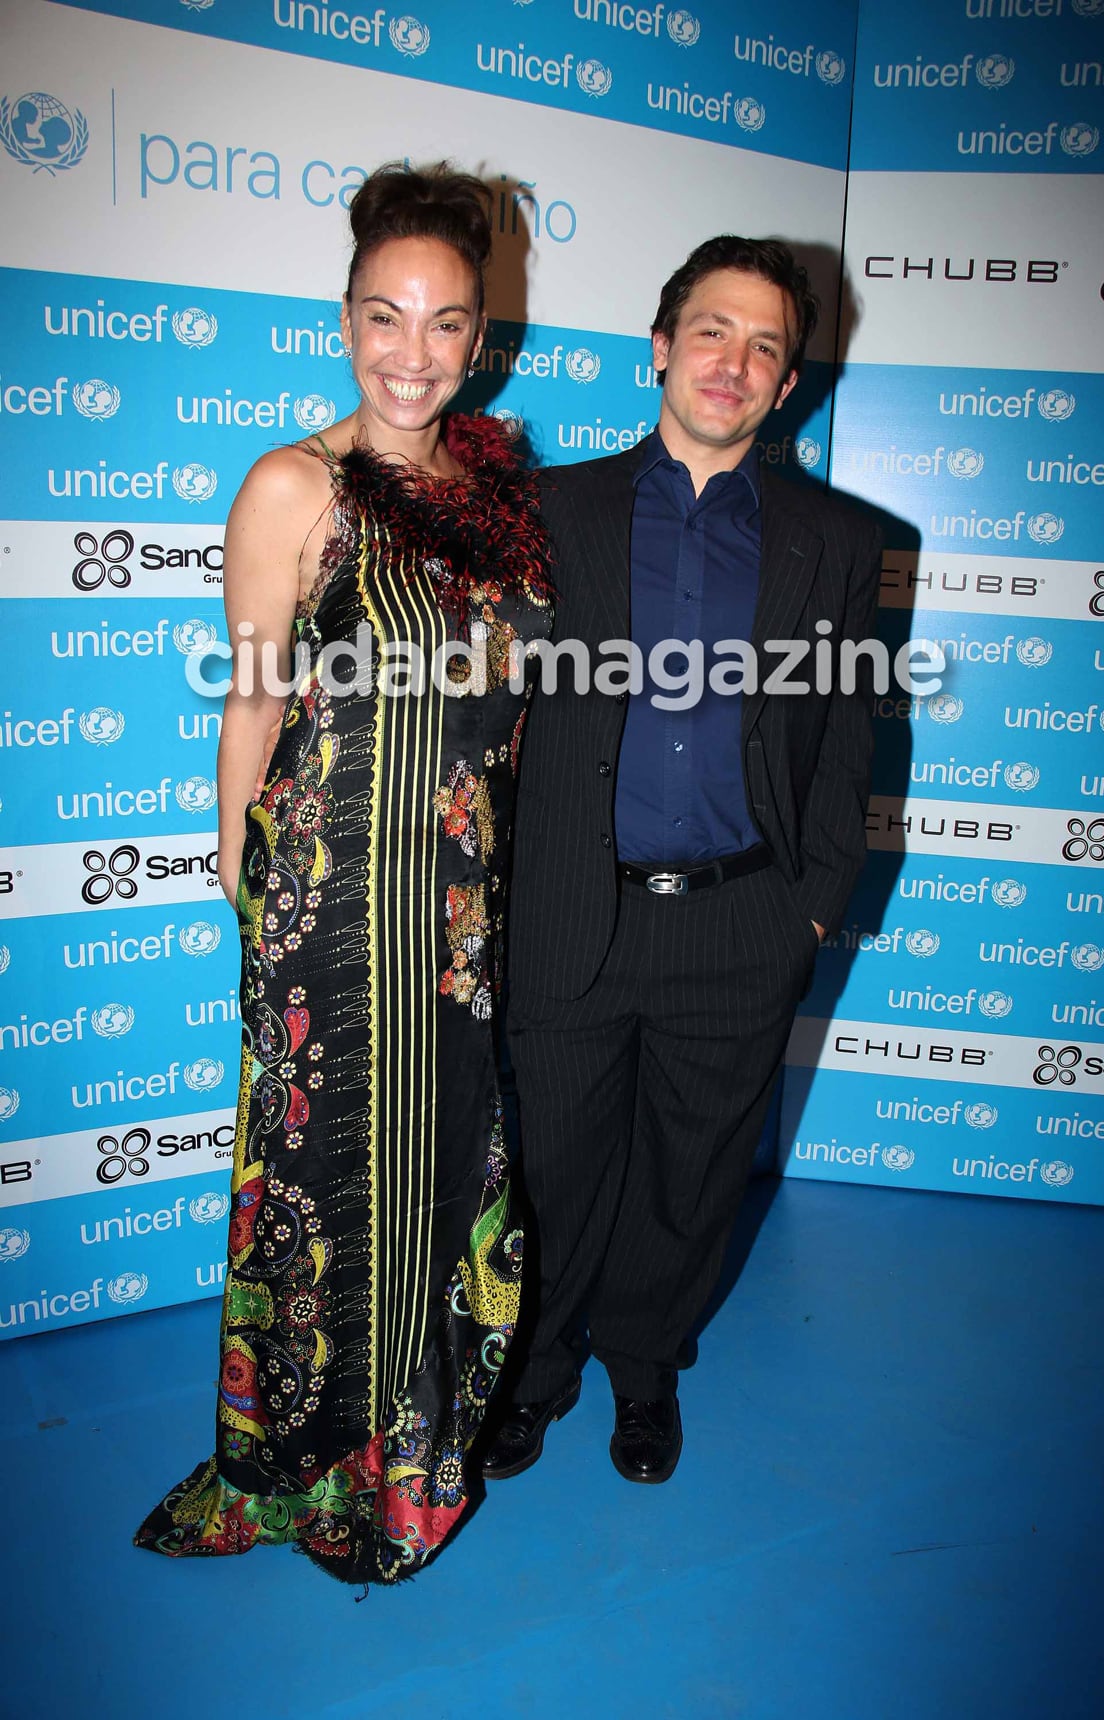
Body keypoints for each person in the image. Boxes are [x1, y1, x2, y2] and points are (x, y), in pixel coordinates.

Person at [135, 163, 552, 1583]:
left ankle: (411, 1457)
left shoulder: (489, 490)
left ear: (481, 337)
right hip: (330, 903)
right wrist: (244, 891)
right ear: (342, 316)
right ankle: (313, 1466)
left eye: (444, 325)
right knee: (330, 1186)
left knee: (437, 1171)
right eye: (385, 317)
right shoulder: (293, 485)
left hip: (452, 909)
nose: (411, 354)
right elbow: (253, 704)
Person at [484, 236, 881, 1486]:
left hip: (740, 918)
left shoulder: (836, 539)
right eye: (713, 330)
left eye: (767, 345)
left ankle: (645, 1369)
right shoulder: (550, 514)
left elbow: (849, 731)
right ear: (659, 347)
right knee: (553, 1170)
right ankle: (536, 1372)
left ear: (786, 384)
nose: (737, 361)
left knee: (692, 1170)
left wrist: (812, 908)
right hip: (568, 913)